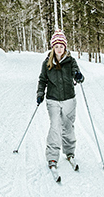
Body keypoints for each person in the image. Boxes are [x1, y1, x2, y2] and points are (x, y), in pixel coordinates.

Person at [36, 30, 84, 170]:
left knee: (68, 127)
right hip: (53, 100)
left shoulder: (71, 61)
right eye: (56, 46)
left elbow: (77, 74)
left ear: (65, 47)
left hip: (69, 98)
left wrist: (79, 76)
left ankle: (70, 152)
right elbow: (42, 80)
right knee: (55, 127)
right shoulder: (47, 63)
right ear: (53, 48)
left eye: (61, 46)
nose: (59, 49)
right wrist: (40, 93)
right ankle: (52, 156)